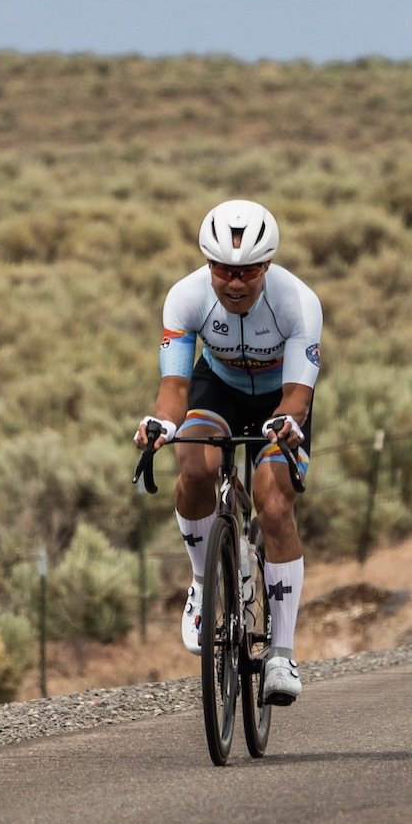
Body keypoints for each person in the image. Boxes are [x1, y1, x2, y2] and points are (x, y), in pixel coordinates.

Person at [136, 199, 321, 706]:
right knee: (194, 465)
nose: (234, 283)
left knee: (273, 500)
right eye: (223, 269)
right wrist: (163, 424)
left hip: (278, 401)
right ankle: (203, 582)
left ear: (266, 266)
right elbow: (174, 385)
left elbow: (298, 398)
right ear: (207, 263)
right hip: (217, 387)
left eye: (248, 271)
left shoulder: (297, 302)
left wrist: (286, 426)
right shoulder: (185, 297)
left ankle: (281, 654)